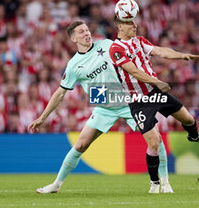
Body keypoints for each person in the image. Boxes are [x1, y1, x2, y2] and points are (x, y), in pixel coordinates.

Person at [28, 21, 174, 194]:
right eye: (81, 32)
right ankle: (56, 185)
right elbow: (60, 93)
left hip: (130, 102)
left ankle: (164, 183)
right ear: (73, 38)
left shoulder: (106, 45)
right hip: (105, 108)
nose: (86, 33)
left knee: (155, 139)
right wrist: (42, 117)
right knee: (81, 144)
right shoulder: (74, 65)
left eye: (87, 30)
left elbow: (131, 57)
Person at [109, 16, 199, 193]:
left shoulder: (139, 42)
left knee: (188, 118)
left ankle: (194, 136)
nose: (135, 25)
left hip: (155, 93)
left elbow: (160, 51)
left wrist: (181, 55)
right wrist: (157, 81)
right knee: (153, 143)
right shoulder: (116, 49)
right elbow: (134, 71)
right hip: (138, 101)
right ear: (119, 26)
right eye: (129, 23)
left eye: (134, 21)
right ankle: (154, 183)